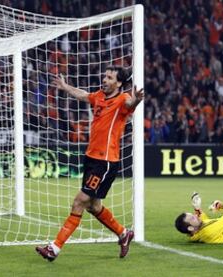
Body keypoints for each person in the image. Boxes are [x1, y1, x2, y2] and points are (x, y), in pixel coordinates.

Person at [36, 66, 144, 261]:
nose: (104, 79)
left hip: (105, 162)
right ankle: (123, 233)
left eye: (109, 77)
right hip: (92, 158)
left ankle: (54, 248)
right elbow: (84, 95)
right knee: (93, 206)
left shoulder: (121, 100)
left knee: (79, 202)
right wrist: (65, 86)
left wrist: (136, 99)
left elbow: (130, 104)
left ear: (119, 83)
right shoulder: (100, 96)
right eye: (105, 75)